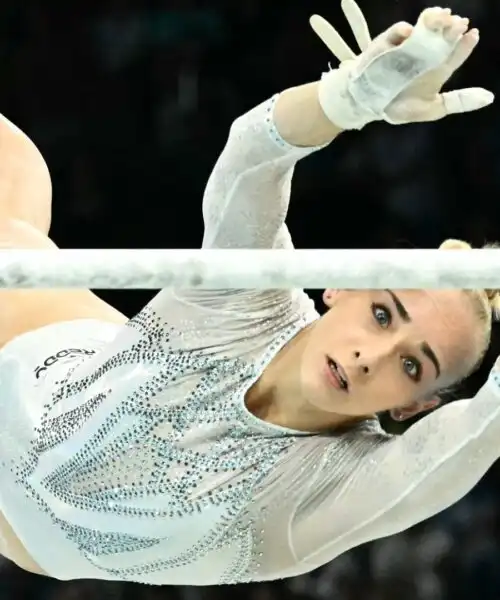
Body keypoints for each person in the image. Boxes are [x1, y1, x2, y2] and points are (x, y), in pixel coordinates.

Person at [0, 0, 498, 587]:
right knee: (14, 169)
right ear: (341, 285)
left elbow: (480, 432)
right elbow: (254, 158)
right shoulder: (250, 298)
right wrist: (345, 102)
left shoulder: (341, 490)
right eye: (384, 314)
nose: (373, 355)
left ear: (414, 406)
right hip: (25, 359)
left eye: (413, 365)